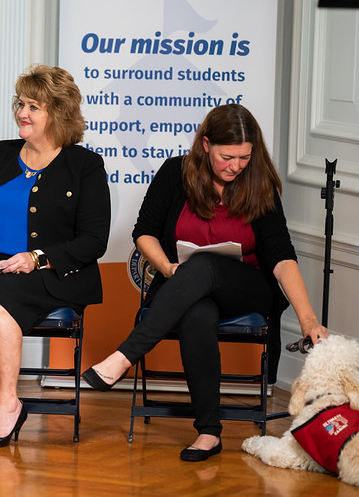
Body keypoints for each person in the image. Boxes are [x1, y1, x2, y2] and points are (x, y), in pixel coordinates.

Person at [83, 103, 329, 462]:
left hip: (247, 289)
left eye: (245, 157)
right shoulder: (175, 173)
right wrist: (168, 269)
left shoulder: (258, 182)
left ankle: (123, 358)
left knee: (204, 266)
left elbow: (280, 255)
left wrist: (307, 320)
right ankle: (209, 432)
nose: (237, 166)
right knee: (196, 311)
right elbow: (145, 233)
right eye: (228, 156)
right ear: (205, 145)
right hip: (185, 283)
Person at [0, 64, 111, 449]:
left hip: (52, 273)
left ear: (59, 112)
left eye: (34, 106)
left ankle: (4, 405)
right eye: (21, 103)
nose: (22, 112)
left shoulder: (84, 166)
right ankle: (0, 399)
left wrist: (37, 257)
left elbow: (93, 240)